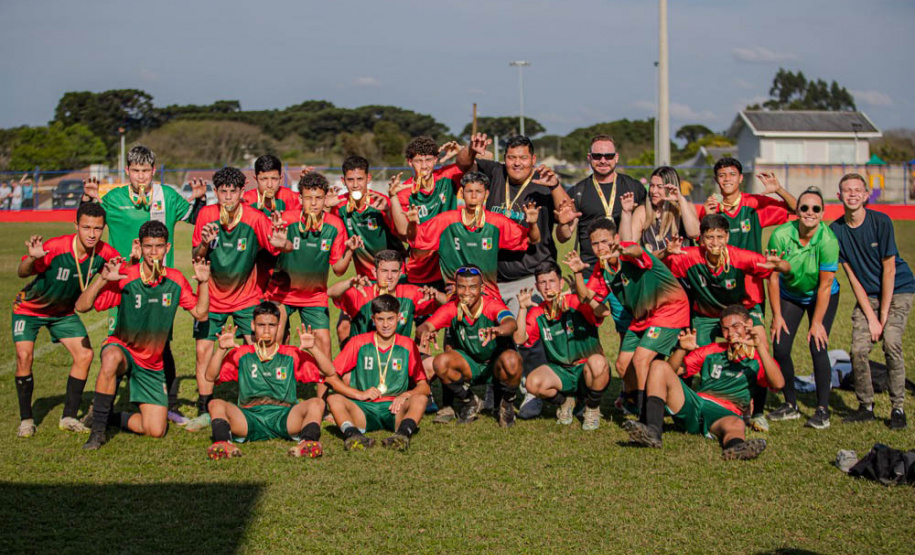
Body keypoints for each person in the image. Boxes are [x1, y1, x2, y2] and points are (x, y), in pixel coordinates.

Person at [82, 145, 207, 424]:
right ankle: (100, 410)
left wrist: (199, 200)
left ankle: (169, 404)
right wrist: (86, 198)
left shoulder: (168, 197)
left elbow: (196, 219)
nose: (141, 177)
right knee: (116, 348)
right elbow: (86, 224)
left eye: (145, 171)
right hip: (124, 285)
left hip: (161, 286)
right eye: (135, 171)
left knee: (162, 346)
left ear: (153, 171)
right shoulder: (113, 199)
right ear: (127, 171)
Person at [456, 134, 578, 418]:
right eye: (512, 157)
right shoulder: (494, 172)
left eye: (523, 158)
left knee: (528, 338)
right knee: (498, 336)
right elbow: (464, 164)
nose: (517, 163)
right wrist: (471, 149)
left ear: (533, 160)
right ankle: (496, 388)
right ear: (504, 159)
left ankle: (531, 394)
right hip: (495, 275)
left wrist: (557, 185)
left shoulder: (543, 181)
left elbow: (566, 212)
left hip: (532, 272)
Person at [77, 220, 210, 450]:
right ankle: (97, 433)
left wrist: (205, 282)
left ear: (167, 247)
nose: (154, 252)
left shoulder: (175, 280)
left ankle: (108, 417)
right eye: (148, 246)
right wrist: (102, 279)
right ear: (140, 245)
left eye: (159, 246)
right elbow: (82, 306)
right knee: (110, 357)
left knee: (155, 430)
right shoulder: (126, 276)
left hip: (152, 363)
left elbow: (201, 314)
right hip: (124, 349)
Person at [190, 167, 292, 431]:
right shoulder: (206, 215)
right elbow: (197, 255)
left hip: (246, 297)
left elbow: (276, 246)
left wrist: (282, 242)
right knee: (203, 351)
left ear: (241, 191)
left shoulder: (255, 217)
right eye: (222, 192)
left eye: (232, 192)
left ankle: (260, 401)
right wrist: (204, 243)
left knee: (259, 348)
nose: (227, 197)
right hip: (212, 297)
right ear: (215, 192)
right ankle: (204, 408)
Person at [12, 203, 119, 437]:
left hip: (63, 314)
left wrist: (132, 260)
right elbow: (22, 272)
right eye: (86, 227)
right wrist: (32, 259)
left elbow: (122, 269)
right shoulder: (55, 247)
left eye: (98, 229)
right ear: (76, 226)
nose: (92, 234)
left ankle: (68, 416)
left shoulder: (105, 253)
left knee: (85, 354)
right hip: (29, 309)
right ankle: (26, 420)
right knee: (24, 356)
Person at [624, 305, 784, 461]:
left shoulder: (758, 359)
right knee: (658, 366)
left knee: (736, 423)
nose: (730, 334)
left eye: (736, 327)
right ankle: (652, 431)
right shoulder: (713, 350)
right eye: (725, 329)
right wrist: (681, 349)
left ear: (749, 325)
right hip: (696, 404)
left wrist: (760, 347)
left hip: (725, 414)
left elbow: (778, 384)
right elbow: (671, 371)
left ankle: (736, 447)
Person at [578, 219, 690, 417]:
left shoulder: (627, 251)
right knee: (622, 364)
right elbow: (590, 300)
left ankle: (646, 415)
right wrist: (578, 274)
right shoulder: (601, 268)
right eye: (595, 244)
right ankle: (650, 399)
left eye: (604, 242)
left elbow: (637, 251)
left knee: (641, 359)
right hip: (642, 317)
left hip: (669, 309)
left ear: (616, 239)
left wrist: (621, 250)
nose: (600, 247)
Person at [831, 173, 914, 429]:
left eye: (858, 190)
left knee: (891, 342)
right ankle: (865, 405)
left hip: (898, 289)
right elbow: (852, 278)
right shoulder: (836, 230)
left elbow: (889, 270)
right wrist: (870, 316)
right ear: (839, 196)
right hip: (868, 296)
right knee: (857, 349)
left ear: (866, 195)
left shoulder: (881, 222)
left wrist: (882, 316)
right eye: (847, 190)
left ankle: (897, 407)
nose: (853, 194)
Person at [204, 302, 333, 459]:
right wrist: (221, 349)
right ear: (252, 325)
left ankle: (307, 442)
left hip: (285, 416)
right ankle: (223, 443)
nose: (266, 330)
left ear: (279, 327)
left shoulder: (291, 354)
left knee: (317, 403)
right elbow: (210, 376)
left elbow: (329, 371)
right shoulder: (242, 353)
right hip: (249, 417)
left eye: (271, 325)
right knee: (215, 403)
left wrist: (313, 348)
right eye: (261, 325)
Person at [766, 187, 840, 429]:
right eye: (804, 207)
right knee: (780, 346)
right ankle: (790, 404)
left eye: (815, 208)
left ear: (822, 212)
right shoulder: (780, 235)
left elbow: (825, 285)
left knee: (817, 344)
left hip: (821, 293)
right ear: (797, 210)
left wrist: (817, 322)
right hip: (790, 294)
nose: (810, 212)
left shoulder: (828, 241)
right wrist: (777, 316)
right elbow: (773, 277)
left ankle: (822, 410)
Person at [416, 266, 522, 427]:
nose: (467, 292)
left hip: (494, 365)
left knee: (513, 360)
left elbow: (511, 323)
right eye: (461, 286)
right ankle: (471, 401)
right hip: (470, 364)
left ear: (482, 288)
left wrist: (499, 329)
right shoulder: (452, 308)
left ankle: (506, 404)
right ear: (456, 287)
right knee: (440, 362)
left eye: (473, 287)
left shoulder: (491, 305)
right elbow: (423, 327)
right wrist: (424, 333)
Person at [267, 171, 359, 355]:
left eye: (319, 198)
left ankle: (324, 383)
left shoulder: (334, 225)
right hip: (282, 294)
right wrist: (279, 244)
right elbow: (278, 247)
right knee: (274, 338)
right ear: (300, 198)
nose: (314, 203)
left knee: (324, 344)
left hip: (314, 296)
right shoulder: (286, 220)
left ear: (326, 199)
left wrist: (350, 251)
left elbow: (339, 270)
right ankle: (271, 381)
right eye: (309, 198)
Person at [407, 171, 540, 298]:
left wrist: (533, 224)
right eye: (469, 191)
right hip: (455, 296)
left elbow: (532, 239)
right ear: (461, 193)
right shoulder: (445, 221)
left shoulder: (497, 222)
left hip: (488, 295)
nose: (474, 196)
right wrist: (412, 224)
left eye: (479, 192)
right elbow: (415, 239)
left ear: (486, 194)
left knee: (509, 322)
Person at [323, 295, 430, 451]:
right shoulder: (358, 342)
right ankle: (353, 435)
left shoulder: (407, 345)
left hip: (394, 408)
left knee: (420, 399)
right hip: (363, 407)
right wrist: (357, 394)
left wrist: (406, 395)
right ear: (373, 318)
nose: (385, 325)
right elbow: (330, 378)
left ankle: (402, 434)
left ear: (399, 317)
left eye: (390, 319)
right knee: (333, 399)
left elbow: (424, 387)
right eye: (380, 319)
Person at [514, 261, 609, 430]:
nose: (547, 287)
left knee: (598, 362)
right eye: (542, 282)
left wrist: (583, 293)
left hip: (585, 369)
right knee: (532, 383)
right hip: (561, 371)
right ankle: (566, 402)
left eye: (551, 281)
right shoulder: (537, 312)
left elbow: (604, 312)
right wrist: (522, 309)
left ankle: (592, 407)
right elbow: (519, 339)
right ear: (537, 286)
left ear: (561, 283)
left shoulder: (574, 302)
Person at [388, 136, 464, 287]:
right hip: (422, 268)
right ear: (410, 162)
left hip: (451, 265)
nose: (424, 166)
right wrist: (393, 197)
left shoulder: (447, 176)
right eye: (418, 161)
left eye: (428, 160)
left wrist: (461, 151)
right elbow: (403, 232)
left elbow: (485, 160)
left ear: (436, 159)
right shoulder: (404, 192)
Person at [567, 134, 648, 272]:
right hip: (590, 271)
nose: (603, 160)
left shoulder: (633, 187)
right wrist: (563, 223)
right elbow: (564, 236)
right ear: (589, 157)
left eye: (608, 156)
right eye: (597, 156)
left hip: (626, 270)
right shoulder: (578, 191)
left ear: (616, 157)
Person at [329, 250, 445, 344]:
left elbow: (449, 306)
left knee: (428, 365)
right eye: (384, 271)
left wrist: (437, 296)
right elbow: (331, 292)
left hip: (396, 359)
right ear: (374, 272)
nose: (389, 276)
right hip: (364, 359)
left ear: (400, 273)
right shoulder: (362, 293)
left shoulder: (410, 294)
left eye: (394, 271)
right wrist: (349, 283)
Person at [697, 158, 796, 254]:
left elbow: (796, 209)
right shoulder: (710, 208)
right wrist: (709, 217)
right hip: (723, 269)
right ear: (716, 179)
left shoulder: (755, 203)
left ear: (740, 178)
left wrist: (779, 189)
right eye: (722, 175)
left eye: (732, 174)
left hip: (751, 269)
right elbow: (702, 246)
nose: (727, 179)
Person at [331, 155, 404, 281]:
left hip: (393, 276)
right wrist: (326, 207)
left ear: (368, 178)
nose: (355, 185)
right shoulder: (338, 206)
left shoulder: (381, 202)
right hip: (366, 279)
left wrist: (388, 212)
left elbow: (402, 234)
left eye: (360, 179)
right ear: (343, 181)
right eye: (350, 180)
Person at [620, 166, 700, 254]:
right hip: (655, 266)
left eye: (659, 187)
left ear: (671, 188)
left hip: (681, 265)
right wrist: (626, 213)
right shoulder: (643, 211)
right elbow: (628, 244)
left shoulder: (686, 207)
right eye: (652, 185)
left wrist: (681, 200)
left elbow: (694, 233)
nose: (654, 191)